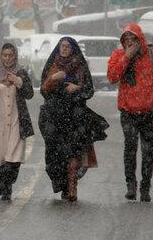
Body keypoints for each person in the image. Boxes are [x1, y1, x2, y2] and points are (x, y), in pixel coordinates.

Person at [107, 24, 153, 202]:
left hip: (149, 112)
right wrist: (126, 57)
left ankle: (145, 186)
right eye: (126, 39)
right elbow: (112, 77)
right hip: (128, 111)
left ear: (140, 39)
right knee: (130, 148)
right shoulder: (119, 55)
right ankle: (131, 184)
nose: (129, 42)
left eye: (133, 39)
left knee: (147, 151)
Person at [39, 37, 108, 202]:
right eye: (62, 46)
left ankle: (71, 186)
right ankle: (61, 183)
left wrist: (78, 88)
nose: (64, 49)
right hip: (54, 115)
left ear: (73, 49)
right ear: (58, 48)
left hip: (75, 115)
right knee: (55, 153)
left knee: (73, 152)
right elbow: (43, 90)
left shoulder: (80, 66)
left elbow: (90, 90)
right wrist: (54, 79)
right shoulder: (52, 64)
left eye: (68, 47)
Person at [0, 43, 34, 201]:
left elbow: (29, 94)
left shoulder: (21, 72)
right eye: (5, 55)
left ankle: (7, 184)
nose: (8, 58)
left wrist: (18, 81)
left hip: (17, 120)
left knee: (14, 156)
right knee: (0, 156)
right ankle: (5, 182)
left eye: (11, 55)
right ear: (1, 56)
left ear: (15, 56)